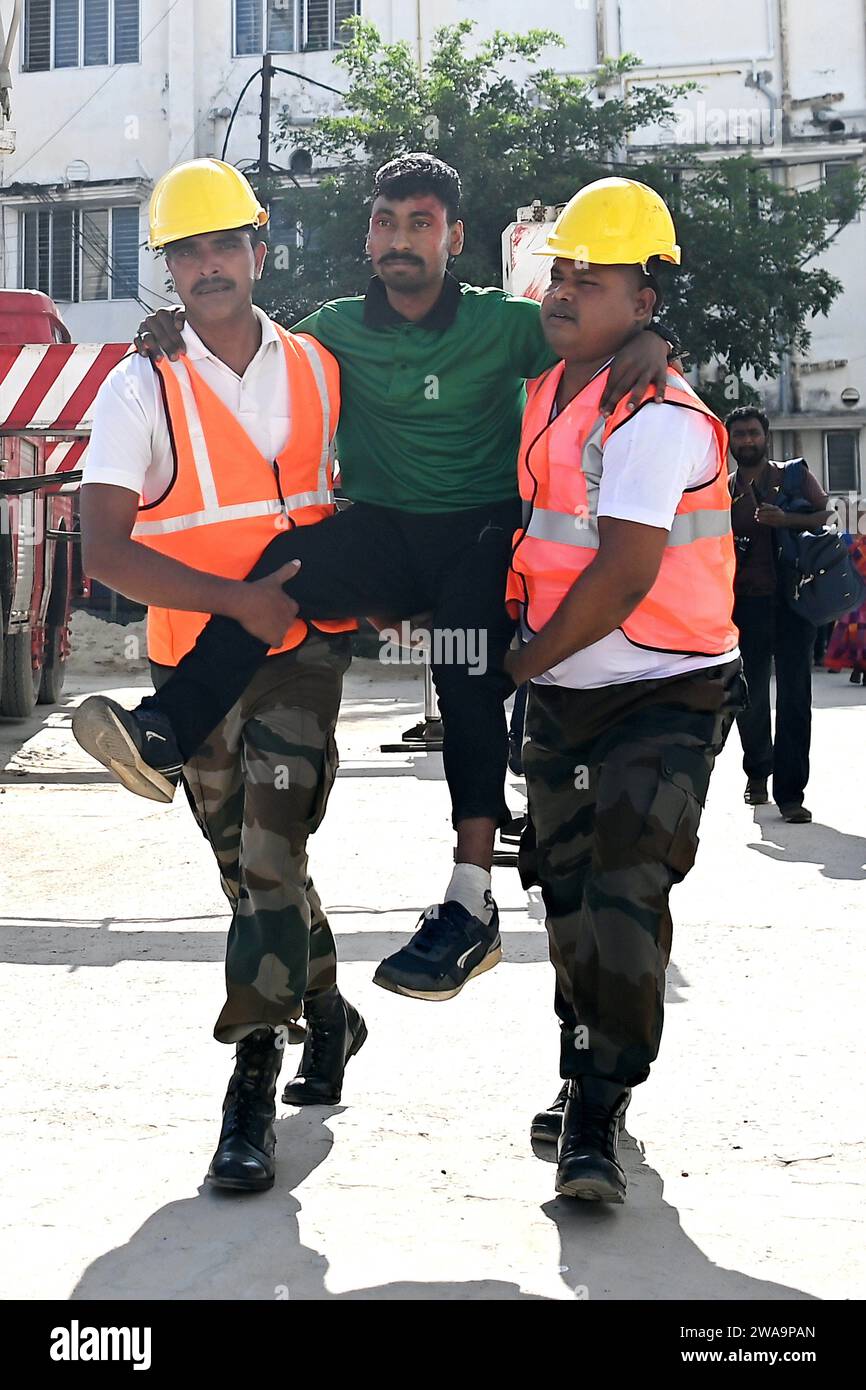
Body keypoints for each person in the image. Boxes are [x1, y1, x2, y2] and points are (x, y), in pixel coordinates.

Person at [73, 153, 674, 1014]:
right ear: (368, 235)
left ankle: (471, 896)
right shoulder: (333, 331)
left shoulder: (506, 325)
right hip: (384, 527)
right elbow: (242, 333)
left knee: (468, 676)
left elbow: (589, 327)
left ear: (454, 238)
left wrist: (656, 337)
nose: (401, 240)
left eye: (421, 224)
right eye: (387, 223)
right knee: (280, 569)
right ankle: (166, 728)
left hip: (477, 529)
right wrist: (166, 331)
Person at [73, 159, 365, 1193]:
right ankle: (330, 1011)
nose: (207, 267)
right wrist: (233, 598)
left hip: (301, 656)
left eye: (223, 245)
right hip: (189, 657)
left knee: (273, 852)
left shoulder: (325, 365)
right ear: (168, 270)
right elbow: (102, 549)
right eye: (185, 252)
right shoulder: (139, 382)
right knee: (248, 873)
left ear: (259, 244)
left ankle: (250, 1083)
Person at [504, 177, 745, 1204]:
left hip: (664, 688)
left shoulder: (658, 418)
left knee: (623, 887)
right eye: (558, 273)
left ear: (642, 301)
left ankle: (598, 1106)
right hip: (564, 689)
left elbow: (621, 573)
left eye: (589, 278)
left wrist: (510, 665)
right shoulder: (550, 386)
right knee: (563, 892)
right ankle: (580, 1064)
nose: (563, 292)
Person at [726, 407, 831, 822]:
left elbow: (825, 515)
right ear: (730, 440)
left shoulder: (793, 476)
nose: (747, 441)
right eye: (739, 435)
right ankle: (757, 773)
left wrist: (784, 518)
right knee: (747, 699)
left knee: (794, 699)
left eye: (753, 433)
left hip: (793, 602)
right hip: (744, 604)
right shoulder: (724, 488)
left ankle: (791, 795)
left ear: (766, 436)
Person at [825, 533, 866, 685]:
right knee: (858, 636)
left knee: (854, 635)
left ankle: (857, 669)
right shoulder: (857, 548)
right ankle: (859, 669)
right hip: (859, 598)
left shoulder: (856, 547)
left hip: (856, 597)